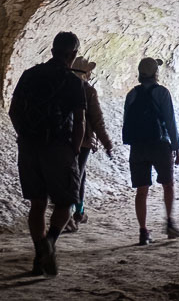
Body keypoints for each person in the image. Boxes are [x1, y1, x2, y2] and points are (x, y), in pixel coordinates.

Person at [7, 31, 87, 276]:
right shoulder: (74, 82)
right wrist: (73, 149)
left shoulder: (29, 75)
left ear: (52, 50)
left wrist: (25, 136)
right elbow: (80, 123)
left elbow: (13, 111)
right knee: (65, 202)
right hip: (58, 147)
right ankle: (50, 242)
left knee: (38, 203)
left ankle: (38, 256)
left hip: (29, 146)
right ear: (72, 54)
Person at [121, 56, 179, 245]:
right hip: (159, 145)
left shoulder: (132, 94)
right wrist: (176, 146)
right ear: (156, 73)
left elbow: (126, 123)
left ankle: (143, 231)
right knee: (168, 184)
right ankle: (170, 223)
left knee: (142, 190)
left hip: (138, 147)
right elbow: (170, 121)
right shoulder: (162, 93)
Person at [63, 56, 113, 232]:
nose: (91, 74)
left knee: (75, 176)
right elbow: (97, 119)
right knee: (75, 178)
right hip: (82, 141)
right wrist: (107, 142)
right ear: (83, 72)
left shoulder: (62, 86)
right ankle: (70, 215)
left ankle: (78, 211)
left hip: (61, 140)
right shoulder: (88, 90)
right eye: (89, 71)